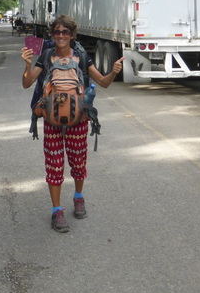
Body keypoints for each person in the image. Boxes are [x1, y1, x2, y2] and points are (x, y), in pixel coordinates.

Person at [20, 15, 123, 233]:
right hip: (52, 120)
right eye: (57, 32)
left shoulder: (82, 57)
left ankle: (78, 197)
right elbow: (27, 83)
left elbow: (103, 83)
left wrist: (113, 72)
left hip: (79, 119)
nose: (60, 36)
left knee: (78, 162)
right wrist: (27, 65)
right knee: (54, 165)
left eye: (65, 32)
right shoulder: (46, 56)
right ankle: (57, 210)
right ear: (52, 34)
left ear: (72, 35)